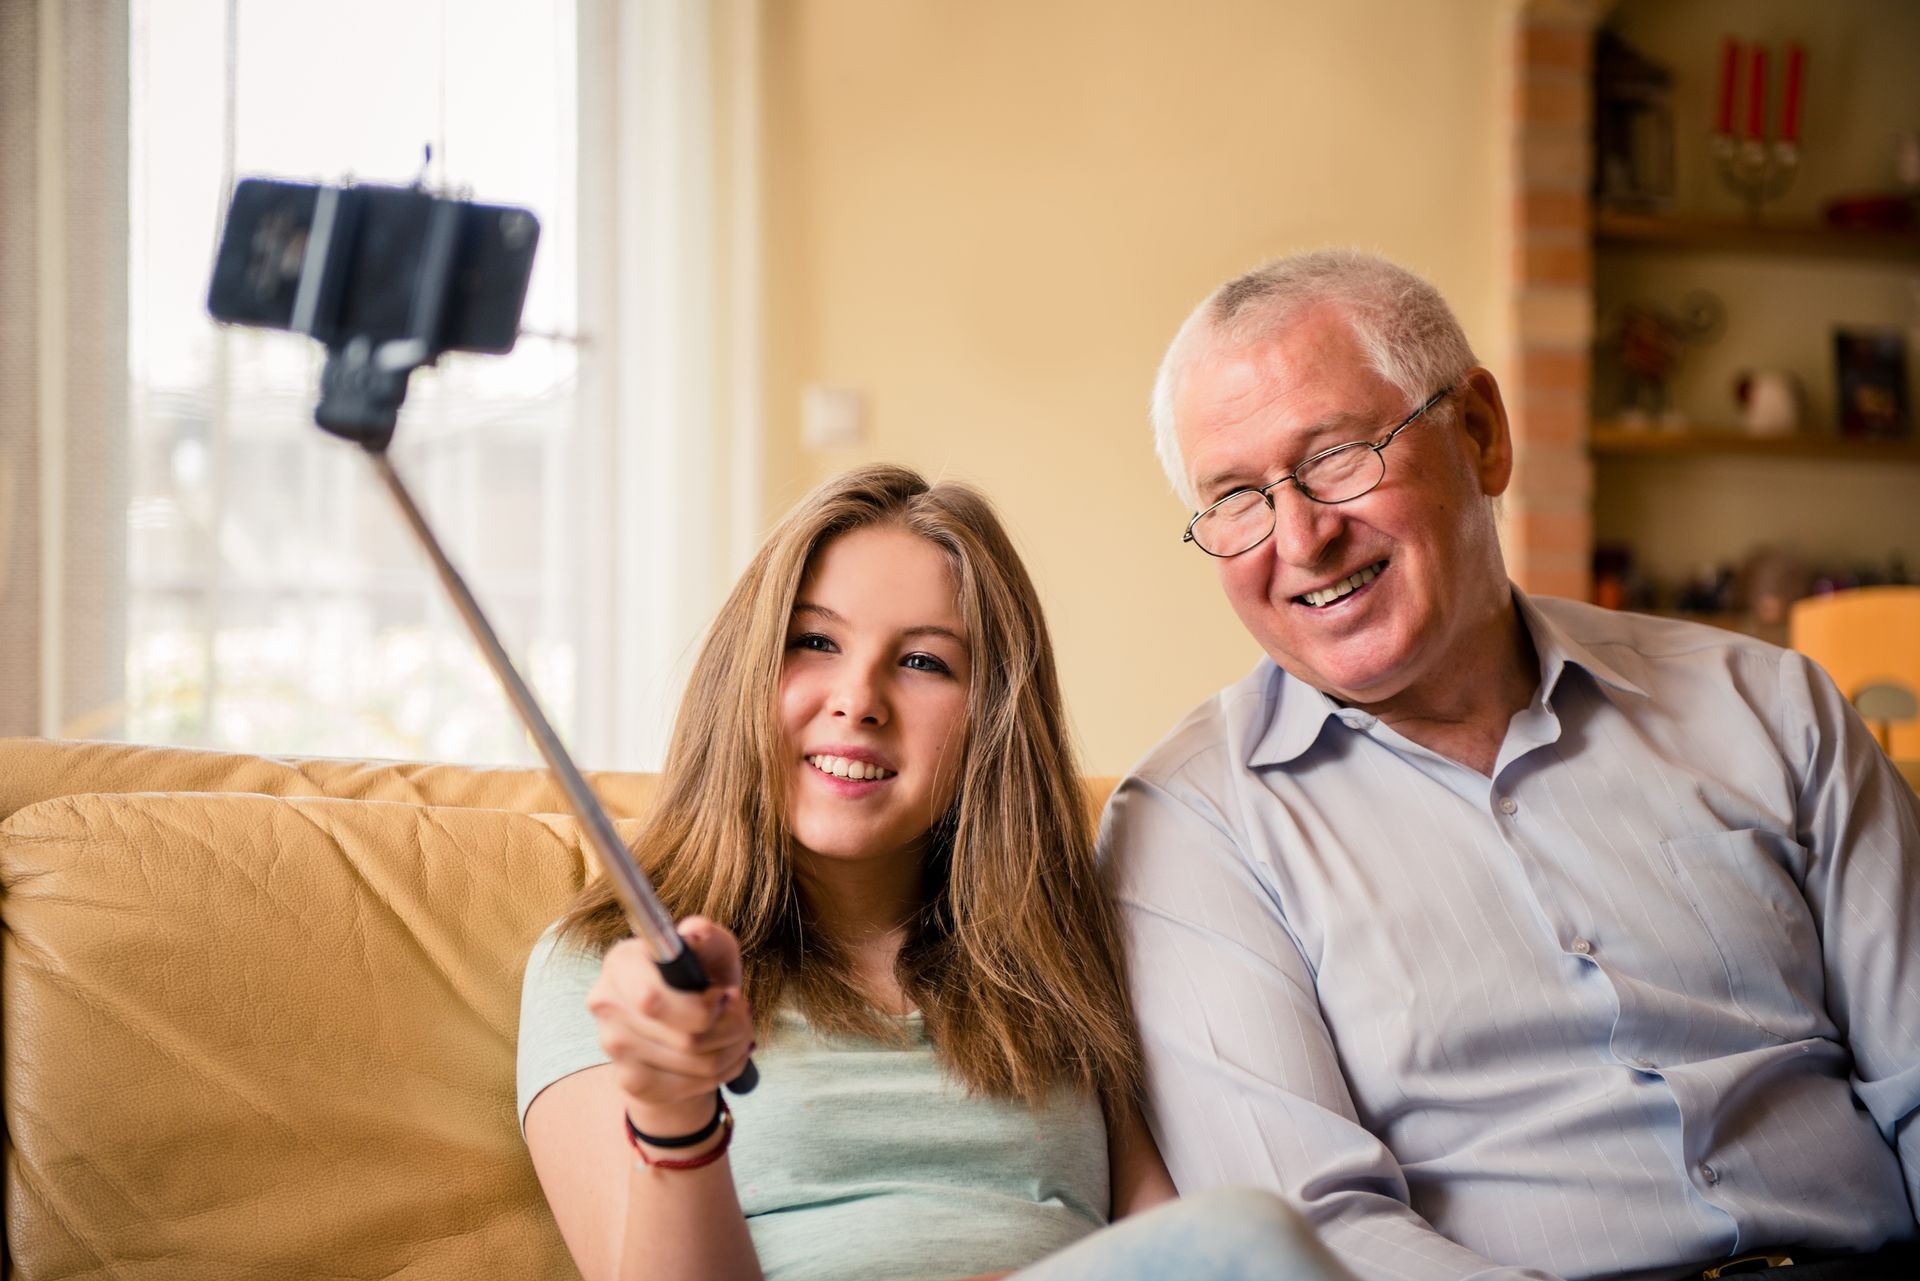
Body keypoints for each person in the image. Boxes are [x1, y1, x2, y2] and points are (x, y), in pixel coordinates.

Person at [1103, 250, 1920, 1281]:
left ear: (1480, 434)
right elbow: (1313, 1231)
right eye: (1236, 498)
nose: (1300, 537)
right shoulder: (1188, 829)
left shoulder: (1769, 708)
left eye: (1338, 456)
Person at [518, 465, 1348, 1281]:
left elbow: (1169, 1240)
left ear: (992, 722)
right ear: (745, 675)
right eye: (814, 641)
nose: (859, 698)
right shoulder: (604, 967)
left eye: (923, 662)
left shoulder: (1060, 954)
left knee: (1251, 1240)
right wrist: (675, 1111)